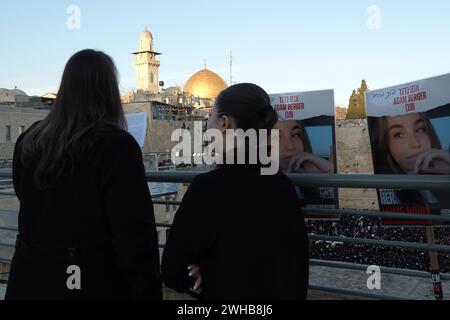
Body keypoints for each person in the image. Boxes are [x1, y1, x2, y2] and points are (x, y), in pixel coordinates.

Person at [5, 49, 162, 300]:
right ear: (108, 91)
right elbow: (134, 237)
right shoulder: (116, 146)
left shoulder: (29, 140)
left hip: (30, 281)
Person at [162, 83, 309, 300]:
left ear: (224, 122)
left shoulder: (207, 189)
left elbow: (172, 271)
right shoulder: (283, 186)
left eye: (209, 117)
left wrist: (196, 274)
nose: (206, 126)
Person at [370, 112, 450, 215]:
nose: (415, 143)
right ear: (384, 143)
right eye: (398, 134)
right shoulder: (380, 191)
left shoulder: (442, 170)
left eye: (420, 130)